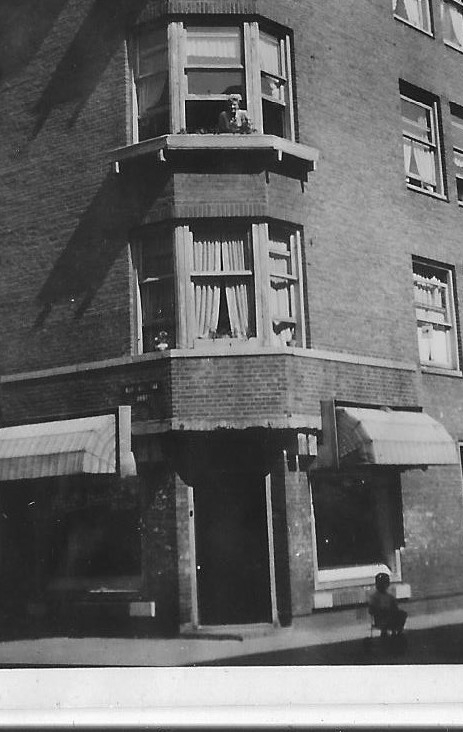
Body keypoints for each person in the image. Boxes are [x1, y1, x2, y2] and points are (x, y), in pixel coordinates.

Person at [368, 572, 407, 639]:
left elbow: (395, 607)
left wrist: (393, 609)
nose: (383, 586)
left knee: (401, 614)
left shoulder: (390, 597)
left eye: (384, 584)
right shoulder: (374, 597)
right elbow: (371, 610)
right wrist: (379, 610)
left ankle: (397, 631)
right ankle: (385, 631)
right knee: (389, 615)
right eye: (381, 584)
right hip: (380, 619)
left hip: (390, 616)